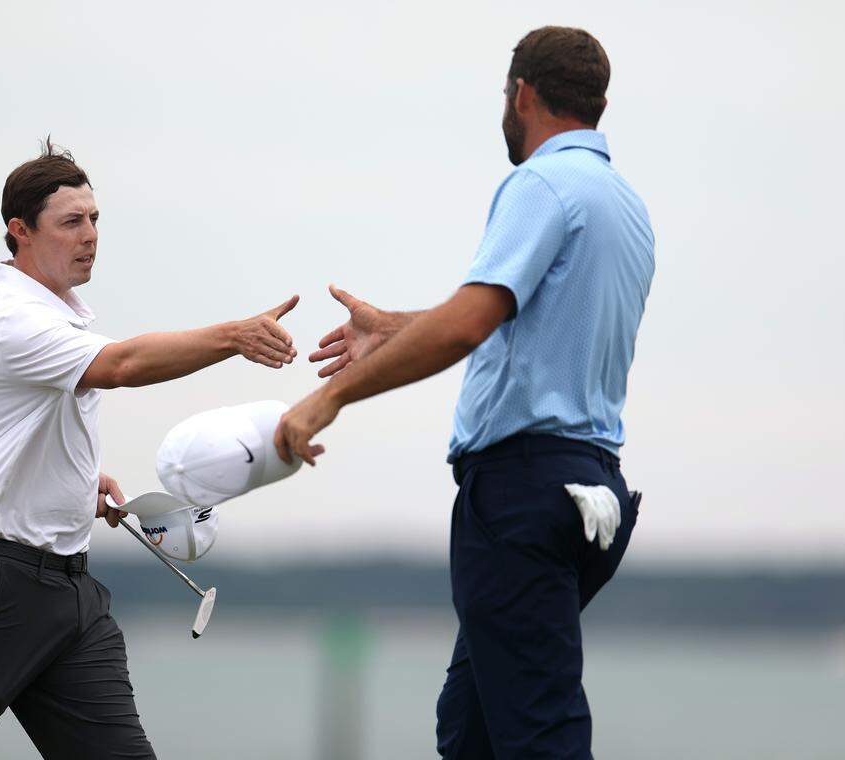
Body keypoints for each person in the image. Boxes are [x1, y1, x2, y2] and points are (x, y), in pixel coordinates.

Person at [274, 26, 655, 759]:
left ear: (522, 95)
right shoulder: (624, 204)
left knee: (539, 737)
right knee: (473, 728)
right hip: (590, 492)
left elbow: (469, 324)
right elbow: (518, 318)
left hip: (521, 496)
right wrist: (396, 327)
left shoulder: (540, 184)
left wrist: (333, 396)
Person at [0, 139, 300, 760]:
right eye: (71, 222)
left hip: (68, 591)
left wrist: (72, 479)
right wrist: (233, 336)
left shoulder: (54, 318)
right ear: (19, 232)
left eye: (95, 219)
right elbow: (123, 365)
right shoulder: (12, 320)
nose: (90, 236)